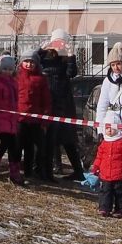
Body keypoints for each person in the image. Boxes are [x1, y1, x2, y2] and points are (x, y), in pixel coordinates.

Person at [39, 31, 84, 181]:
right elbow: (33, 63)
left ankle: (78, 171)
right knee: (49, 138)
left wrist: (71, 55)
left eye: (61, 42)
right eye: (56, 42)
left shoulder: (66, 60)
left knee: (68, 139)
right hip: (47, 101)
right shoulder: (45, 57)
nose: (59, 45)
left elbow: (72, 73)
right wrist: (42, 49)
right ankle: (48, 171)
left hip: (64, 104)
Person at [93, 113, 122, 220]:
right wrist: (96, 166)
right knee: (105, 192)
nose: (109, 130)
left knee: (121, 194)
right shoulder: (104, 143)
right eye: (107, 128)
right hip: (106, 175)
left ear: (118, 128)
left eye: (112, 127)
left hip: (120, 175)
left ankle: (120, 210)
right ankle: (104, 208)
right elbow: (99, 156)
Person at [14, 50, 51, 182]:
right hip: (19, 118)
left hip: (35, 120)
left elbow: (46, 100)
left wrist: (45, 120)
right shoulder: (16, 78)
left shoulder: (41, 79)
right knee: (17, 146)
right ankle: (15, 170)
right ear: (21, 63)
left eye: (32, 62)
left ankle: (29, 172)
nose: (29, 64)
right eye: (26, 61)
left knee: (31, 148)